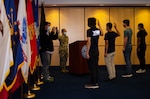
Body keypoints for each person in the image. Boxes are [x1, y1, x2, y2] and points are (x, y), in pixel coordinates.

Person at [85, 17, 103, 89]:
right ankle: (95, 81)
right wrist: (99, 25)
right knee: (95, 66)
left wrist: (87, 52)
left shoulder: (89, 31)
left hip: (91, 50)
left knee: (92, 67)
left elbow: (89, 42)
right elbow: (102, 33)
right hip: (96, 50)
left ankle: (93, 84)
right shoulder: (97, 30)